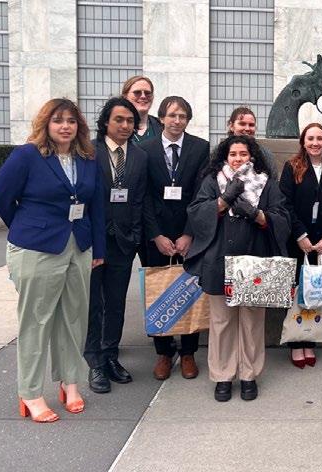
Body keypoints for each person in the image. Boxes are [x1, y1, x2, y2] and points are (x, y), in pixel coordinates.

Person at [0, 98, 105, 422]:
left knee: (74, 318)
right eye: (58, 120)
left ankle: (70, 382)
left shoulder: (87, 158)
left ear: (79, 126)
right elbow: (0, 200)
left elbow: (96, 205)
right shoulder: (26, 156)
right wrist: (28, 227)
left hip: (78, 246)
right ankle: (30, 392)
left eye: (71, 120)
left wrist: (98, 249)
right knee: (36, 321)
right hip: (36, 249)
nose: (65, 126)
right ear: (46, 124)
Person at [184, 135, 291, 402]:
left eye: (243, 154)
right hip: (219, 259)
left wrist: (257, 215)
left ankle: (248, 374)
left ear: (251, 156)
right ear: (225, 156)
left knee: (252, 321)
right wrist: (222, 201)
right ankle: (222, 375)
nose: (238, 159)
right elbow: (196, 213)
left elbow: (283, 217)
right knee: (221, 321)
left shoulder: (266, 183)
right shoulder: (212, 181)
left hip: (255, 259)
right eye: (233, 154)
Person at [139, 96, 211, 381]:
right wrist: (155, 234)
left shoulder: (200, 148)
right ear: (161, 118)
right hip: (156, 233)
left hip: (188, 232)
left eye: (182, 116)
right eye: (172, 116)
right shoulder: (145, 149)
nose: (177, 121)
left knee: (190, 289)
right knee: (159, 289)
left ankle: (189, 352)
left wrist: (189, 233)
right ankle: (164, 352)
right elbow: (143, 196)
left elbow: (201, 193)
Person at [85, 97, 149, 394]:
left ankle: (111, 355)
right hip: (93, 241)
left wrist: (134, 235)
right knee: (93, 305)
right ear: (106, 122)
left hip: (123, 242)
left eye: (130, 121)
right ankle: (95, 361)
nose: (125, 125)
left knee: (116, 303)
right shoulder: (88, 152)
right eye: (119, 120)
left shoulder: (139, 156)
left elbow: (139, 199)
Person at [279, 123, 322, 368]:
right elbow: (284, 204)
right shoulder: (292, 167)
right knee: (298, 293)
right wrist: (300, 235)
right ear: (303, 142)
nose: (315, 143)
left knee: (317, 293)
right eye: (310, 138)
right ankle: (296, 344)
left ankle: (310, 341)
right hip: (299, 242)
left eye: (320, 138)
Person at [223, 106, 276, 176]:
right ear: (231, 126)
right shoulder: (219, 153)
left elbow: (272, 179)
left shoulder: (265, 155)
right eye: (242, 124)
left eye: (251, 125)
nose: (247, 128)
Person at [122, 76, 162, 144]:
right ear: (125, 96)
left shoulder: (162, 127)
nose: (143, 96)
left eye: (147, 93)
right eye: (137, 92)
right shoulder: (114, 127)